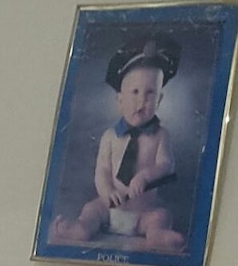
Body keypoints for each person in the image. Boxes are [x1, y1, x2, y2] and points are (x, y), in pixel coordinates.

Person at [49, 34, 186, 252]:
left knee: (162, 215)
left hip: (143, 212)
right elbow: (102, 171)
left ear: (160, 99)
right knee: (91, 209)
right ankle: (81, 228)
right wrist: (107, 192)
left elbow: (166, 165)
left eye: (150, 93)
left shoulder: (161, 135)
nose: (142, 100)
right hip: (110, 209)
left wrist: (146, 176)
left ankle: (157, 235)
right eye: (135, 92)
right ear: (120, 100)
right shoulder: (110, 136)